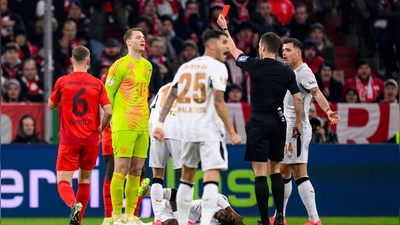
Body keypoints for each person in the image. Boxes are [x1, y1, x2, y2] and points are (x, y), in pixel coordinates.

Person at [217, 14, 303, 225]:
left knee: (260, 172)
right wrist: (298, 122)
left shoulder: (254, 64)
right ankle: (280, 218)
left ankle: (265, 220)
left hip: (259, 121)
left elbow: (234, 50)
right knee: (276, 170)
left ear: (263, 47)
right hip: (279, 122)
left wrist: (225, 28)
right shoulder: (286, 71)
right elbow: (298, 98)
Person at [152, 29, 242, 225]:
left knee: (187, 179)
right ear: (211, 45)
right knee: (210, 178)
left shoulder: (186, 67)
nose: (227, 48)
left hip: (187, 130)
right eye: (223, 43)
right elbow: (218, 102)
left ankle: (184, 222)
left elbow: (172, 95)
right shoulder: (218, 68)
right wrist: (232, 131)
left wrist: (159, 123)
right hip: (207, 129)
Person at [276, 38, 340, 225]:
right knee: (284, 172)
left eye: (288, 50)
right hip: (289, 128)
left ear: (298, 52)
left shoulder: (304, 72)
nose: (284, 53)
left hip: (297, 129)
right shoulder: (292, 72)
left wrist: (328, 111)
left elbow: (316, 92)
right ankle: (281, 216)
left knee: (299, 173)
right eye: (283, 50)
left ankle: (313, 219)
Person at [48, 46, 112, 225]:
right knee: (85, 180)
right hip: (91, 140)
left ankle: (73, 204)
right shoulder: (97, 83)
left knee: (63, 181)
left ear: (71, 61)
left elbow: (51, 105)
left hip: (70, 139)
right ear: (89, 61)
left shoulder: (62, 81)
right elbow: (108, 111)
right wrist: (101, 128)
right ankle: (79, 221)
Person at [105, 28, 153, 225]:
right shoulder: (119, 66)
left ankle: (131, 216)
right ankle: (116, 217)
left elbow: (144, 96)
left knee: (137, 170)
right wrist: (108, 120)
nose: (143, 40)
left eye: (144, 37)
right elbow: (107, 94)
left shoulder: (148, 66)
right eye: (138, 37)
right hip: (124, 123)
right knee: (121, 168)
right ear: (128, 42)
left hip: (143, 125)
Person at [144, 82, 181, 225]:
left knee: (157, 176)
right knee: (187, 177)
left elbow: (151, 109)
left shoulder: (163, 87)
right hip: (177, 131)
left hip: (156, 130)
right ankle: (183, 219)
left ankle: (157, 218)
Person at [141, 187, 242, 225]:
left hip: (175, 217)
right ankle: (152, 191)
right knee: (180, 196)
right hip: (167, 204)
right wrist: (234, 213)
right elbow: (216, 196)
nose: (222, 217)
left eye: (224, 220)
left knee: (173, 223)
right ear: (228, 210)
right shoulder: (221, 202)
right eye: (226, 216)